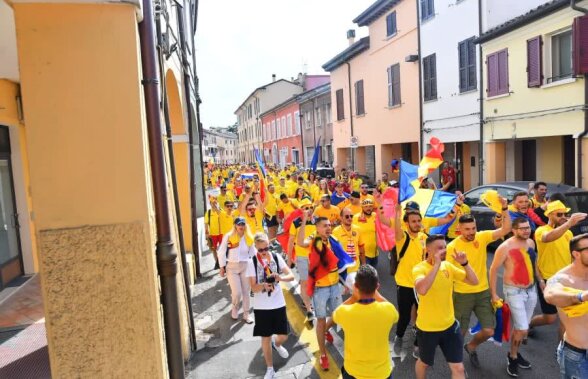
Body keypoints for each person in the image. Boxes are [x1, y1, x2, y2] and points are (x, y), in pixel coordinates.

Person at [446, 201, 511, 369]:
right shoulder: (452, 247)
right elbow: (449, 274)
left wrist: (504, 209)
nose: (471, 232)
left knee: (489, 330)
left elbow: (506, 229)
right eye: (467, 229)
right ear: (459, 229)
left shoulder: (481, 237)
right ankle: (457, 364)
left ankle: (472, 346)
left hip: (482, 292)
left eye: (473, 228)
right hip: (462, 294)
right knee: (460, 331)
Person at [413, 234, 478, 379]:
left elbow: (474, 281)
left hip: (450, 326)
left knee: (459, 368)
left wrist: (465, 263)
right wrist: (435, 265)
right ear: (428, 250)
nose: (443, 251)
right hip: (428, 328)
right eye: (439, 248)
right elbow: (422, 289)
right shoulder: (419, 268)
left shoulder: (448, 266)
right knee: (424, 363)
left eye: (444, 247)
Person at [530, 201, 587, 339]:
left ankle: (563, 351)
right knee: (550, 318)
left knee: (565, 319)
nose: (563, 217)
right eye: (559, 214)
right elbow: (548, 238)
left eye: (565, 214)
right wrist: (569, 223)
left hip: (566, 280)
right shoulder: (541, 230)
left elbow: (575, 254)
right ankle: (528, 324)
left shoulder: (568, 233)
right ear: (549, 215)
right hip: (548, 280)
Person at [489, 218, 538, 377]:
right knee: (522, 328)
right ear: (514, 230)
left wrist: (541, 282)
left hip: (531, 290)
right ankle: (513, 356)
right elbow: (493, 270)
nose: (526, 231)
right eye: (522, 228)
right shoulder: (505, 247)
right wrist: (494, 294)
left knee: (522, 328)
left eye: (528, 228)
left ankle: (514, 352)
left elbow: (533, 264)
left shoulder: (531, 243)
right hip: (513, 291)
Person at [332, 265, 399, 379]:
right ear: (377, 286)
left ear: (355, 286)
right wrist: (376, 293)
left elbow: (335, 314)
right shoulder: (388, 311)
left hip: (354, 372)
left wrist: (353, 297)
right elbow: (395, 313)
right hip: (382, 373)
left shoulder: (345, 312)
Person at [378, 205, 427, 357]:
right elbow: (396, 228)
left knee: (423, 314)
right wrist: (398, 213)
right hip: (405, 284)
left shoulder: (423, 238)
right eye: (413, 221)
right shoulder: (402, 237)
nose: (417, 224)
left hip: (420, 283)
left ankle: (418, 345)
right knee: (405, 316)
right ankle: (399, 336)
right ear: (407, 223)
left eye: (419, 221)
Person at [297, 214, 342, 371]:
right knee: (321, 321)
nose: (328, 228)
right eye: (325, 225)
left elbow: (340, 259)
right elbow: (300, 243)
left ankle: (325, 331)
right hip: (320, 288)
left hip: (335, 285)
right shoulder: (314, 239)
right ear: (317, 228)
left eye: (329, 225)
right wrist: (304, 220)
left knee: (338, 316)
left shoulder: (333, 240)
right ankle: (323, 355)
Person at [247, 233, 295, 379]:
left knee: (283, 336)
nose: (264, 252)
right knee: (265, 338)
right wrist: (263, 286)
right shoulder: (252, 262)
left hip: (278, 303)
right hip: (262, 307)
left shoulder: (275, 257)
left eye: (266, 248)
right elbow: (253, 288)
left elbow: (291, 275)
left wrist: (280, 278)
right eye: (260, 250)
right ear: (256, 248)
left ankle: (278, 344)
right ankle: (270, 368)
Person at [544, 233, 588, 379]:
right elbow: (551, 295)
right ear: (576, 254)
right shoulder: (562, 279)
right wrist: (581, 296)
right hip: (578, 355)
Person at [218, 217, 256, 323]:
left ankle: (246, 314)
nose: (241, 226)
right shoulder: (229, 236)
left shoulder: (249, 237)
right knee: (237, 292)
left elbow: (253, 253)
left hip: (245, 266)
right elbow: (221, 252)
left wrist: (258, 267)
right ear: (235, 225)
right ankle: (235, 307)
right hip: (232, 267)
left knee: (246, 292)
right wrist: (222, 267)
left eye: (243, 224)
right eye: (239, 224)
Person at [287, 198, 316, 323]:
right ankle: (309, 310)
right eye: (305, 208)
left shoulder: (317, 220)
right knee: (304, 283)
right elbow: (290, 242)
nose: (308, 210)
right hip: (302, 257)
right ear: (301, 210)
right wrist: (289, 259)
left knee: (315, 283)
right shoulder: (296, 222)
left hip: (316, 257)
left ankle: (311, 303)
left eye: (310, 207)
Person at [332, 207, 365, 291]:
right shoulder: (336, 231)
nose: (350, 218)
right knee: (342, 296)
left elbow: (361, 248)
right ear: (341, 217)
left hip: (355, 268)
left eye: (351, 216)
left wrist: (364, 266)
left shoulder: (357, 229)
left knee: (358, 293)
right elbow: (333, 252)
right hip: (343, 270)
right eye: (347, 216)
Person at [352, 198, 378, 268]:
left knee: (373, 273)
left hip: (375, 252)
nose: (368, 208)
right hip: (363, 254)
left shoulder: (375, 216)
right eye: (366, 206)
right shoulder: (356, 218)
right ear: (362, 207)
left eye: (370, 206)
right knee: (366, 276)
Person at [205, 196, 223, 270]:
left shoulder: (221, 210)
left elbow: (223, 218)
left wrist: (217, 210)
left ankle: (222, 263)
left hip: (221, 233)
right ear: (210, 204)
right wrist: (207, 233)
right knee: (214, 249)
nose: (214, 204)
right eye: (213, 203)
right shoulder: (208, 212)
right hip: (213, 234)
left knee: (222, 249)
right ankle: (217, 263)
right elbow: (206, 223)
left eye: (215, 202)